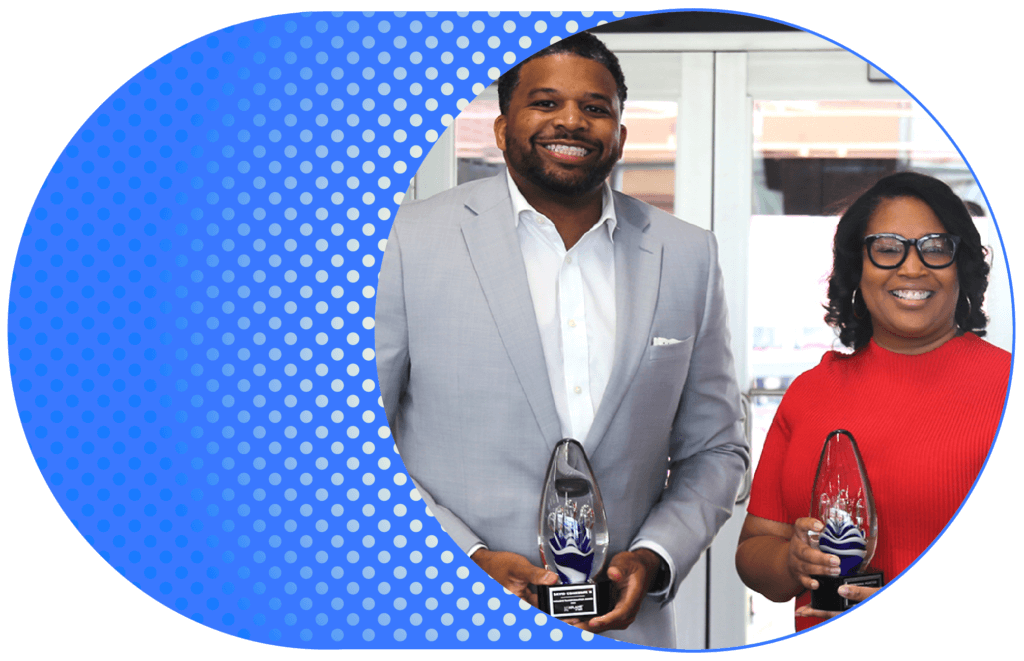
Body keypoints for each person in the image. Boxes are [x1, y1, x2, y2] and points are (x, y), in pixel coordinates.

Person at [375, 32, 749, 648]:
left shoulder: (687, 254)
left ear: (620, 136)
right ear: (502, 128)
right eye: (545, 103)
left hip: (624, 628)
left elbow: (715, 450)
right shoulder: (406, 241)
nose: (572, 120)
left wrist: (656, 555)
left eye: (596, 108)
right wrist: (463, 559)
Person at [735, 172, 1011, 631]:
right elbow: (753, 551)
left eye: (935, 247)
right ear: (856, 269)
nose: (912, 267)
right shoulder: (810, 393)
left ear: (960, 265)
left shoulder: (1002, 385)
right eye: (887, 248)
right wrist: (791, 561)